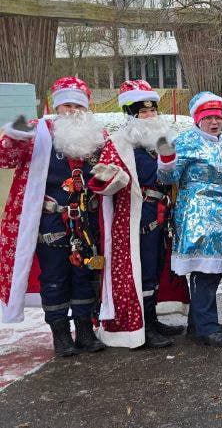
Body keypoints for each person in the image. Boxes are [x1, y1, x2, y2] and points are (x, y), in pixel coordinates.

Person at [0, 77, 127, 356]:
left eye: (78, 106)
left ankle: (84, 331)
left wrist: (112, 176)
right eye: (67, 105)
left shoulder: (99, 135)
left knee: (84, 275)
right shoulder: (39, 132)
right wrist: (13, 134)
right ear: (57, 106)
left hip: (87, 222)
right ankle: (60, 335)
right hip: (52, 222)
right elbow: (4, 157)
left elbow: (116, 168)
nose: (73, 111)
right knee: (55, 277)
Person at [95, 80, 187, 349]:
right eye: (143, 112)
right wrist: (107, 177)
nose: (149, 116)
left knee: (158, 266)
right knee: (143, 268)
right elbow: (105, 182)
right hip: (138, 215)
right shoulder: (119, 144)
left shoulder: (162, 141)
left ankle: (153, 320)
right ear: (131, 115)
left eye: (152, 111)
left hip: (163, 212)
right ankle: (142, 325)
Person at [169, 92, 222, 347]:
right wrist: (166, 161)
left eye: (218, 117)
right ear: (198, 119)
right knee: (204, 271)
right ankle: (207, 327)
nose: (214, 122)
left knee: (213, 271)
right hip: (198, 214)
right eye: (208, 118)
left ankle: (199, 322)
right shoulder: (187, 141)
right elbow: (168, 177)